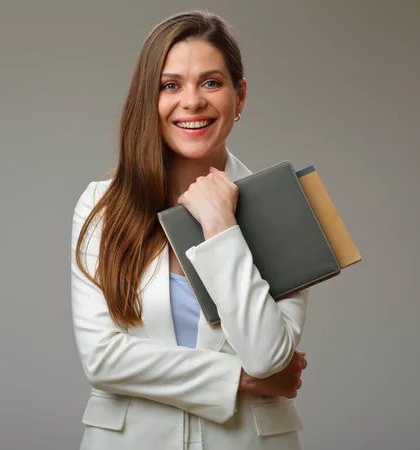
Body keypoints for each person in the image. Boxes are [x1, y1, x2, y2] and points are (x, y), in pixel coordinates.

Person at [71, 9, 309, 450]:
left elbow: (268, 355)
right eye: (170, 85)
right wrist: (237, 379)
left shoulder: (284, 207)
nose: (193, 101)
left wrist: (222, 227)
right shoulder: (101, 205)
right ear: (150, 99)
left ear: (240, 97)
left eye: (212, 83)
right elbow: (102, 358)